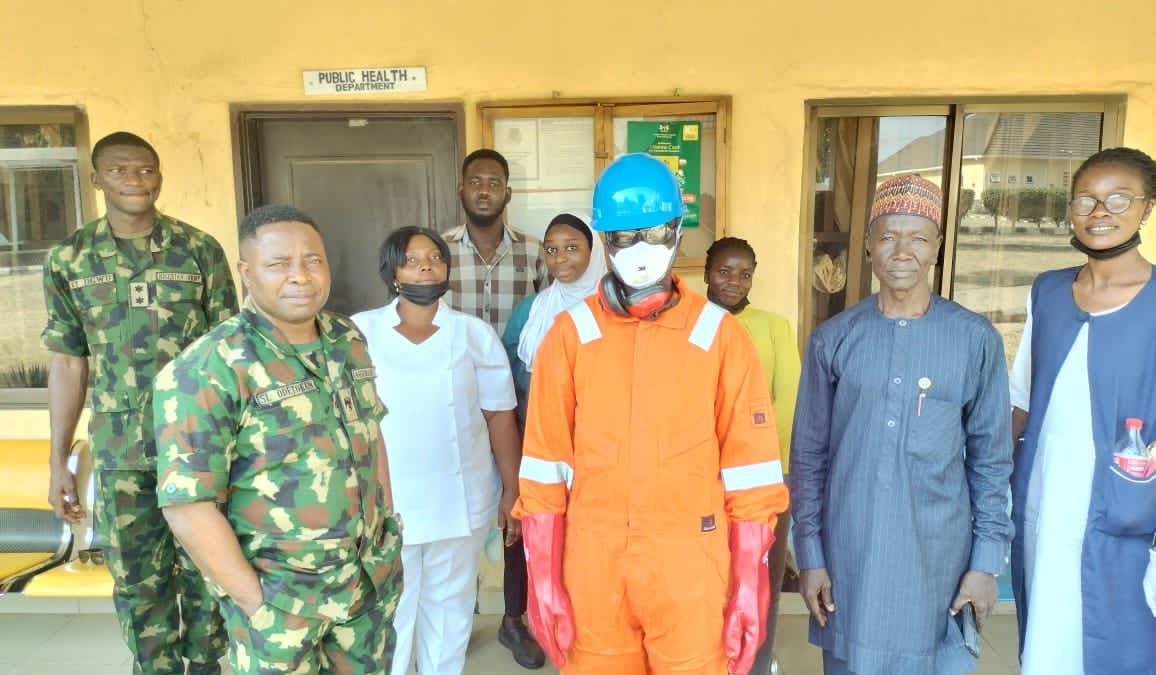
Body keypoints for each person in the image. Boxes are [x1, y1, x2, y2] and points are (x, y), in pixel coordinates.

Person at [514, 153, 789, 675]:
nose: (640, 249)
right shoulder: (570, 336)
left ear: (677, 232)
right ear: (604, 241)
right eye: (624, 236)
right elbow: (544, 468)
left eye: (655, 232)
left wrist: (749, 583)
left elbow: (752, 476)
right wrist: (542, 575)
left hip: (690, 566)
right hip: (594, 567)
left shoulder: (720, 337)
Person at [154, 204, 403, 675]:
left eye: (312, 260)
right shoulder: (209, 366)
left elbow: (370, 436)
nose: (300, 276)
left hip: (366, 588)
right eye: (279, 264)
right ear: (246, 272)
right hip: (281, 603)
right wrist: (256, 605)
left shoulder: (346, 339)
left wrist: (388, 529)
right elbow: (187, 506)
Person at [791, 174, 1014, 675]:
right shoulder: (833, 340)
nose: (902, 251)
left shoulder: (975, 340)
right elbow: (808, 457)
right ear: (869, 245)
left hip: (939, 563)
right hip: (850, 559)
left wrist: (985, 562)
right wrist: (810, 554)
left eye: (917, 237)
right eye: (888, 236)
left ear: (937, 246)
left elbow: (991, 461)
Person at [41, 131, 234, 675]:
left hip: (198, 445)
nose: (135, 180)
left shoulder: (198, 250)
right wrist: (59, 460)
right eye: (120, 170)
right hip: (121, 453)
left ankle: (206, 665)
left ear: (160, 177)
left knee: (207, 567)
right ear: (96, 179)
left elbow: (230, 354)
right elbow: (68, 363)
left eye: (146, 169)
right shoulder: (69, 258)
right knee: (136, 578)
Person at [1009, 147, 1156, 675]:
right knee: (1048, 636)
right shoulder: (1048, 291)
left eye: (1118, 198)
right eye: (1085, 200)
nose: (1099, 212)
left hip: (1128, 503)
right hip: (1044, 494)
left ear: (1147, 207)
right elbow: (1021, 399)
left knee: (1123, 640)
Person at [351, 226, 522, 675]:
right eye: (411, 260)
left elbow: (499, 415)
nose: (425, 267)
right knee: (390, 616)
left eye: (434, 258)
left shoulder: (473, 334)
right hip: (385, 504)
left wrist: (511, 490)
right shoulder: (359, 332)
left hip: (459, 501)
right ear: (392, 272)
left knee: (449, 615)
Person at [443, 148, 548, 668]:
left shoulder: (535, 254)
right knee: (455, 509)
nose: (484, 189)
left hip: (519, 406)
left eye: (494, 182)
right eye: (475, 181)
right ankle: (456, 615)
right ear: (461, 189)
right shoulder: (437, 251)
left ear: (508, 192)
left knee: (517, 506)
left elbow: (552, 319)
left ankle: (513, 619)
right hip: (453, 404)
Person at [703, 236, 801, 675]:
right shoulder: (689, 322)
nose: (734, 282)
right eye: (724, 271)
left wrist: (748, 460)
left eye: (745, 274)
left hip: (764, 475)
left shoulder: (774, 327)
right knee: (707, 576)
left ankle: (757, 660)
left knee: (761, 576)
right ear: (708, 272)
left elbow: (788, 402)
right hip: (701, 475)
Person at [502, 213, 606, 424]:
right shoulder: (531, 310)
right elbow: (507, 375)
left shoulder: (616, 310)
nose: (559, 258)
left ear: (593, 250)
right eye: (551, 250)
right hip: (539, 430)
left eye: (571, 248)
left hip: (600, 432)